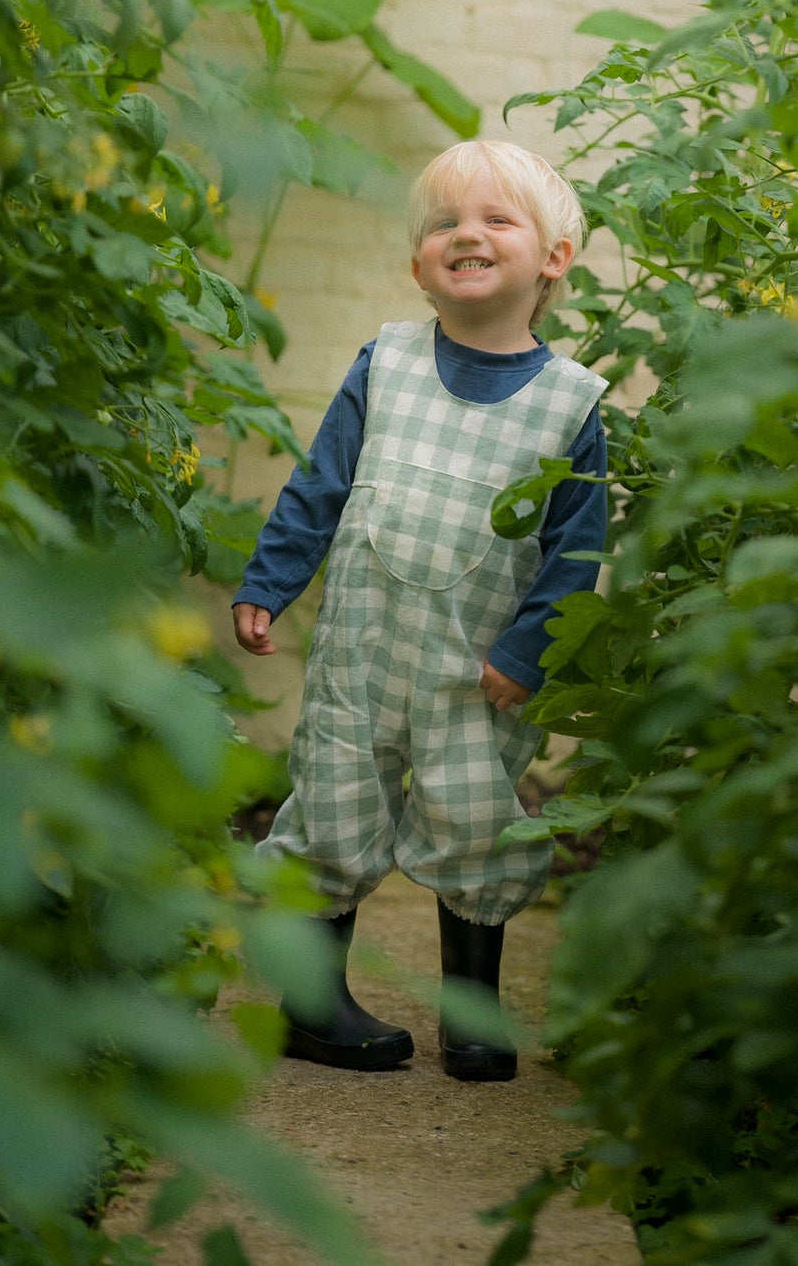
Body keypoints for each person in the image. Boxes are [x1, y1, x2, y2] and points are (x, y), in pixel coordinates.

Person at [231, 138, 607, 1082]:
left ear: (553, 257)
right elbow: (319, 485)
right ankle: (312, 1005)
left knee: (475, 828)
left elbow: (576, 549)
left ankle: (471, 1014)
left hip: (473, 674)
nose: (464, 234)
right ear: (417, 263)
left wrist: (528, 650)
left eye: (495, 218)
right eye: (443, 222)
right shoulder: (386, 362)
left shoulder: (569, 405)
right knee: (332, 811)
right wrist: (268, 582)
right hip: (359, 656)